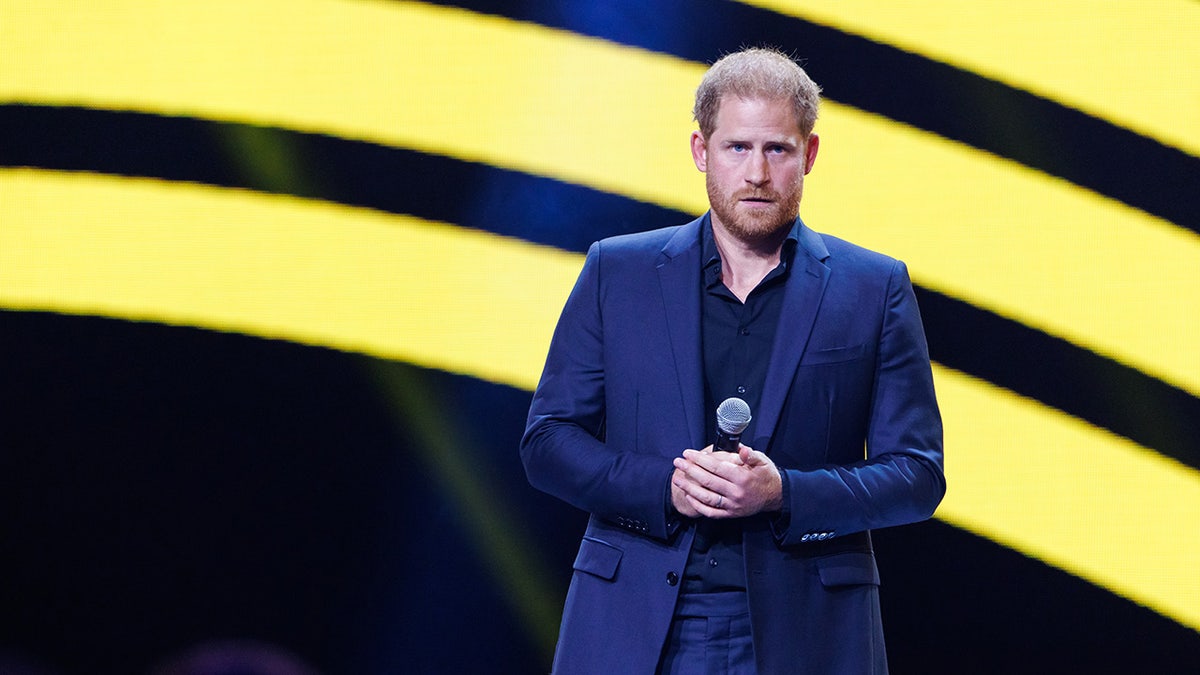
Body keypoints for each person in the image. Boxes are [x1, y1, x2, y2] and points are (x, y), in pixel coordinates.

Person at [521, 47, 945, 674]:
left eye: (776, 149)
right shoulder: (619, 271)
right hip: (638, 622)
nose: (756, 173)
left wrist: (784, 493)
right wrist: (663, 486)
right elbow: (548, 442)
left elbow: (917, 474)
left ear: (810, 154)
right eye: (737, 148)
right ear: (700, 151)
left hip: (806, 627)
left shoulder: (873, 287)